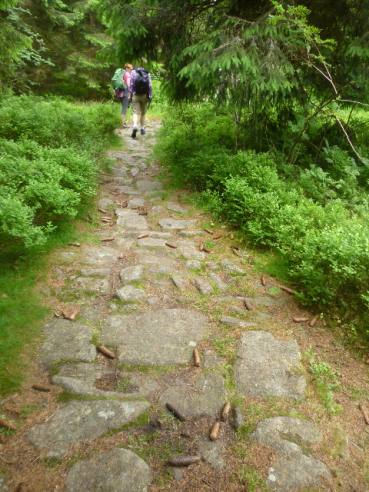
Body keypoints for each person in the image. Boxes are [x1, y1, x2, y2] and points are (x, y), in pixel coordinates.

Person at [128, 66, 152, 138]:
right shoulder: (147, 73)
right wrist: (150, 96)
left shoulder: (133, 73)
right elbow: (150, 86)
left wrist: (130, 95)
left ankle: (135, 125)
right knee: (143, 113)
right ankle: (142, 128)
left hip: (135, 95)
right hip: (144, 96)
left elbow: (131, 85)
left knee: (135, 112)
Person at [111, 63, 133, 129]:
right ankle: (123, 124)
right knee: (124, 108)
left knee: (123, 107)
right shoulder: (127, 75)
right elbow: (129, 85)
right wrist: (130, 93)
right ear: (127, 68)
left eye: (131, 69)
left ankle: (123, 122)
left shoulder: (122, 74)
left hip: (120, 93)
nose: (131, 70)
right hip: (126, 93)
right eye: (130, 69)